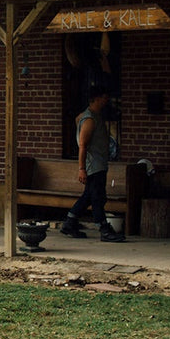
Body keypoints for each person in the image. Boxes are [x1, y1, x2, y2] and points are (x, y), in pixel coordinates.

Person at [61, 83, 126, 242]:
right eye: (104, 97)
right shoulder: (89, 119)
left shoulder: (92, 116)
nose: (107, 100)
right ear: (96, 98)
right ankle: (104, 229)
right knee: (97, 197)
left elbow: (77, 119)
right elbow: (82, 145)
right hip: (93, 165)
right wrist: (81, 168)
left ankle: (70, 222)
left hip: (99, 163)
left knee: (89, 196)